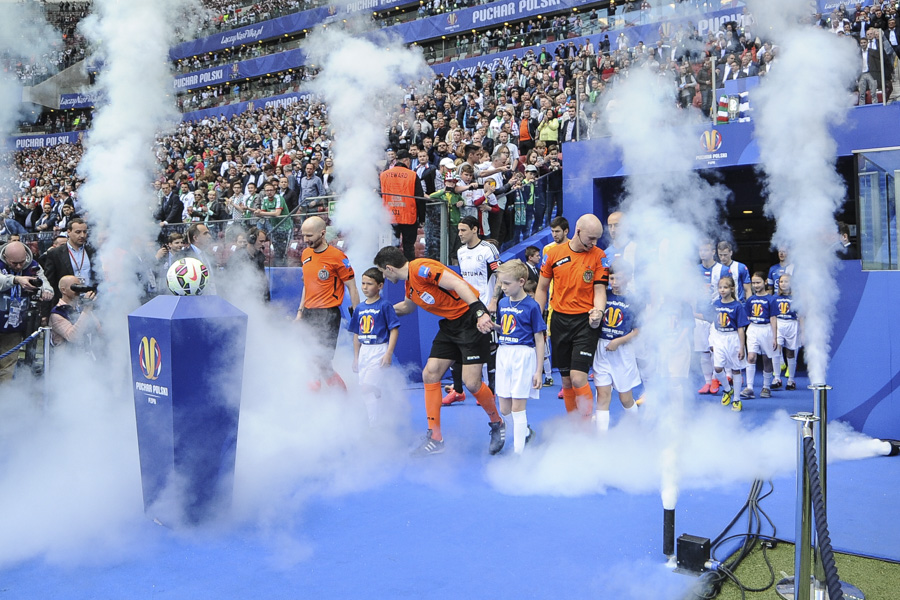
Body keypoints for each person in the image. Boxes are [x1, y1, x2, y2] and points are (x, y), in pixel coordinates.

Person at [373, 245, 505, 456]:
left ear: (389, 268)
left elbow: (458, 284)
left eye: (382, 272)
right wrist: (377, 310)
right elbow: (407, 307)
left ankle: (497, 422)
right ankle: (435, 438)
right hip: (450, 325)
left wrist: (480, 312)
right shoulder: (409, 284)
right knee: (430, 373)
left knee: (472, 383)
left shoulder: (420, 268)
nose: (384, 277)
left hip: (470, 320)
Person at [535, 214, 609, 418]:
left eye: (597, 239)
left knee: (578, 378)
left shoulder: (599, 256)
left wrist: (598, 311)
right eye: (591, 238)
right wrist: (537, 320)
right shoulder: (553, 254)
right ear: (578, 231)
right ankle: (574, 426)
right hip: (559, 321)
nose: (594, 243)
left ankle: (587, 426)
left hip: (585, 322)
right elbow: (541, 288)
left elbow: (600, 290)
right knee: (566, 380)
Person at [296, 216, 359, 391]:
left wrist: (357, 315)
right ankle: (322, 399)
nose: (305, 240)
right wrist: (300, 312)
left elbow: (352, 287)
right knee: (310, 360)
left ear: (322, 233)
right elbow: (307, 285)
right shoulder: (306, 254)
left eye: (309, 236)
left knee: (320, 360)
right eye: (303, 235)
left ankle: (338, 396)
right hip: (309, 312)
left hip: (328, 314)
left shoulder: (337, 257)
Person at [442, 216, 501, 405]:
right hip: (465, 308)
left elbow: (500, 275)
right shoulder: (460, 252)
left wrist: (493, 301)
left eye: (463, 230)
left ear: (475, 229)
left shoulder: (487, 249)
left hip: (485, 306)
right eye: (459, 230)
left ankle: (490, 390)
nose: (459, 234)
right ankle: (458, 391)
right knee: (458, 347)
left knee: (490, 348)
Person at [492, 260, 544, 454]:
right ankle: (526, 433)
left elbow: (539, 338)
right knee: (505, 408)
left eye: (507, 283)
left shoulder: (532, 306)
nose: (503, 287)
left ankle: (518, 454)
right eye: (501, 283)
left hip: (523, 355)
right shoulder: (503, 303)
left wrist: (538, 371)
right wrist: (493, 326)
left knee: (518, 407)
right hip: (504, 353)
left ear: (521, 282)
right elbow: (505, 327)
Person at [589, 262, 640, 431]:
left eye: (619, 278)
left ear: (628, 278)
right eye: (611, 278)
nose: (615, 282)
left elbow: (638, 330)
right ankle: (602, 439)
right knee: (603, 396)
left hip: (623, 351)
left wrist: (619, 341)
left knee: (625, 398)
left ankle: (636, 427)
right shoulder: (604, 296)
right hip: (602, 350)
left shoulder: (634, 301)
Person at [349, 267, 400, 425]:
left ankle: (373, 425)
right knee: (365, 391)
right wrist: (356, 357)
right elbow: (356, 334)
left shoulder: (385, 306)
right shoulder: (359, 308)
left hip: (379, 350)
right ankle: (376, 417)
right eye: (363, 283)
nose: (365, 287)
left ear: (380, 286)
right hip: (364, 351)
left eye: (369, 284)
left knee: (366, 388)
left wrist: (388, 353)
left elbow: (394, 329)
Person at [0, 241, 54, 382]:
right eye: (14, 263)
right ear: (5, 257)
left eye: (22, 262)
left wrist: (46, 291)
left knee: (7, 365)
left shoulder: (33, 266)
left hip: (13, 325)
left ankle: (5, 394)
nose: (19, 266)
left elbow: (45, 283)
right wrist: (16, 279)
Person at [710, 276, 749, 412]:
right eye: (720, 287)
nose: (722, 290)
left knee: (735, 369)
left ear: (732, 289)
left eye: (725, 287)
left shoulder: (737, 306)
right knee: (717, 368)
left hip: (733, 338)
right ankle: (727, 389)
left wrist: (742, 347)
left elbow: (741, 328)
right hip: (719, 337)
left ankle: (737, 399)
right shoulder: (716, 304)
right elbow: (712, 323)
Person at [380, 148, 425, 261]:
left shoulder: (384, 175)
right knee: (408, 247)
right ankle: (409, 269)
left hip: (389, 216)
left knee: (392, 247)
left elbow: (379, 196)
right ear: (406, 160)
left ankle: (392, 268)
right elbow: (419, 198)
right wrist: (422, 218)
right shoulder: (412, 175)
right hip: (408, 216)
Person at [43, 218, 97, 304]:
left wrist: (95, 292)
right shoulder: (55, 253)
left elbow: (97, 277)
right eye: (78, 232)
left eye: (85, 232)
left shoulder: (92, 251)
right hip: (67, 302)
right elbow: (50, 281)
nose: (82, 235)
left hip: (89, 300)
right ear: (68, 232)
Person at [742, 272, 778, 400]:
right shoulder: (750, 299)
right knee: (751, 357)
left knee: (767, 358)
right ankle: (749, 387)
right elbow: (746, 317)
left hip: (766, 329)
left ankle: (766, 387)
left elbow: (773, 318)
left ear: (765, 282)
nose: (756, 285)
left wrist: (775, 337)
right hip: (753, 328)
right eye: (753, 283)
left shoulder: (771, 299)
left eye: (758, 282)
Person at [49, 274, 101, 357]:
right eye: (74, 287)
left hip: (85, 356)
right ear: (63, 290)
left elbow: (98, 329)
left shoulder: (80, 308)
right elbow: (73, 337)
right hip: (66, 359)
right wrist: (86, 310)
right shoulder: (57, 312)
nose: (78, 290)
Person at [695, 239, 719, 394]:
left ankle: (716, 379)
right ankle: (707, 382)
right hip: (699, 315)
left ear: (713, 252)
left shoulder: (722, 270)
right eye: (700, 250)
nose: (703, 253)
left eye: (706, 250)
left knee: (715, 349)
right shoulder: (695, 271)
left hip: (716, 316)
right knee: (703, 350)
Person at [224, 227, 270, 302]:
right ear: (252, 240)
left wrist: (267, 302)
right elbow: (230, 282)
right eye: (261, 241)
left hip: (257, 300)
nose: (263, 244)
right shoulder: (237, 257)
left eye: (264, 241)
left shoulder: (260, 257)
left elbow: (263, 283)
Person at [772, 274, 801, 391]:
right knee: (776, 350)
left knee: (790, 352)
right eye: (781, 282)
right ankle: (777, 378)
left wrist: (803, 331)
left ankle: (791, 380)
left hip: (792, 323)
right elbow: (772, 315)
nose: (783, 284)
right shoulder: (775, 298)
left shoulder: (797, 297)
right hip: (779, 323)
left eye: (786, 281)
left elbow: (801, 315)